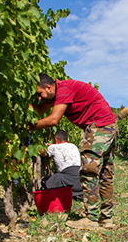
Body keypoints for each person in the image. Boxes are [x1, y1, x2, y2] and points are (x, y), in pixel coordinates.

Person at [30, 73, 119, 230]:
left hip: (99, 127)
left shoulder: (63, 90)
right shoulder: (59, 93)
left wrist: (29, 126)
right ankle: (106, 219)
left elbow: (53, 120)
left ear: (49, 87)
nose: (39, 98)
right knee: (106, 172)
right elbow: (40, 109)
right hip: (109, 125)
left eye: (40, 93)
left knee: (89, 170)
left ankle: (91, 219)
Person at [40, 130, 83, 201]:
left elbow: (42, 152)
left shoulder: (54, 147)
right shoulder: (73, 146)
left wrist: (47, 146)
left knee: (48, 181)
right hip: (79, 179)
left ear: (55, 140)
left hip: (67, 177)